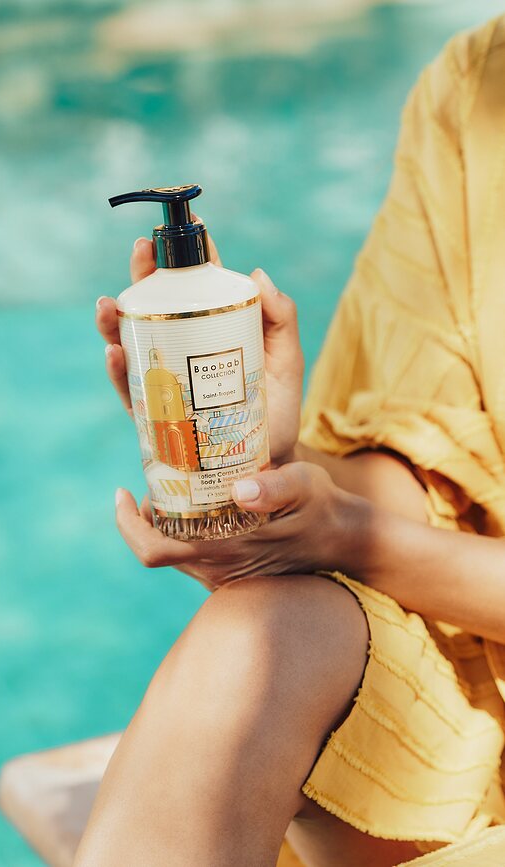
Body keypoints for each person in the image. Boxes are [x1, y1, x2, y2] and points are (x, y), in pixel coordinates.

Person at [74, 15, 505, 867]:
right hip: (477, 665)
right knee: (254, 641)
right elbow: (433, 462)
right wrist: (272, 475)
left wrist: (350, 536)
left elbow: (372, 533)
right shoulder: (479, 86)